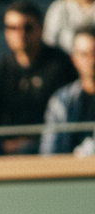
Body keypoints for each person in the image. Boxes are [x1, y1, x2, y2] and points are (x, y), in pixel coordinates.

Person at [0, 1, 78, 154]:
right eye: (12, 28)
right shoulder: (0, 68)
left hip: (53, 148)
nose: (20, 34)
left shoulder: (61, 64)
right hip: (7, 153)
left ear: (41, 29)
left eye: (28, 27)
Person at [41, 26, 95, 155]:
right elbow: (49, 152)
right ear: (74, 59)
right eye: (84, 54)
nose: (91, 60)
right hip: (69, 172)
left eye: (94, 53)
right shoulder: (61, 100)